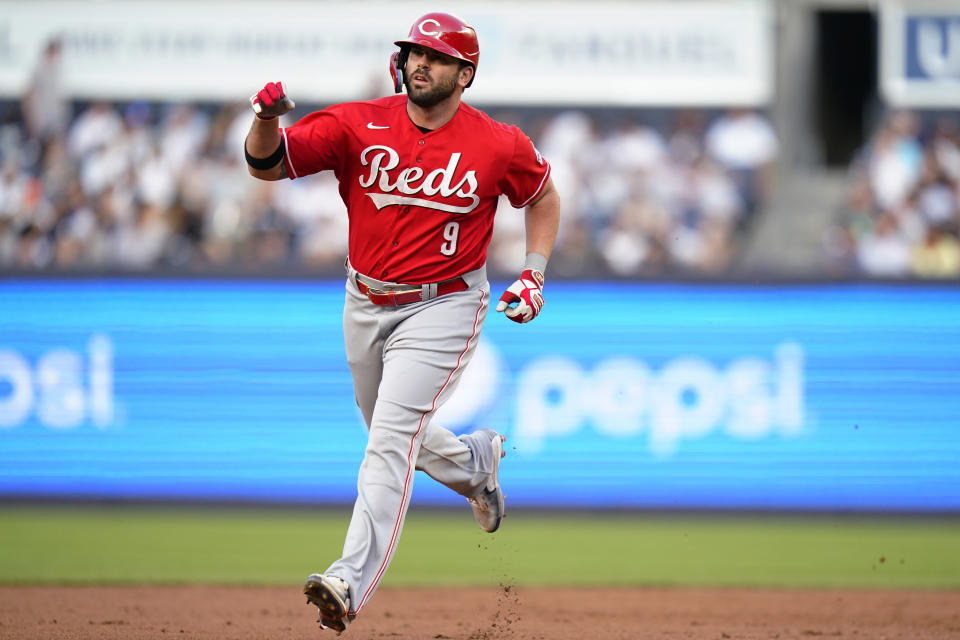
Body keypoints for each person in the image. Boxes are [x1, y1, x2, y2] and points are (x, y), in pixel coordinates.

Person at [244, 12, 560, 634]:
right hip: (363, 297)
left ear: (465, 74)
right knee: (388, 427)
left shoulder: (497, 142)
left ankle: (347, 579)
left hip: (444, 302)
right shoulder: (355, 122)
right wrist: (264, 118)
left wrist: (534, 271)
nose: (421, 63)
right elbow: (268, 164)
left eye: (437, 57)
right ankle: (473, 466)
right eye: (414, 52)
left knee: (389, 438)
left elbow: (542, 196)